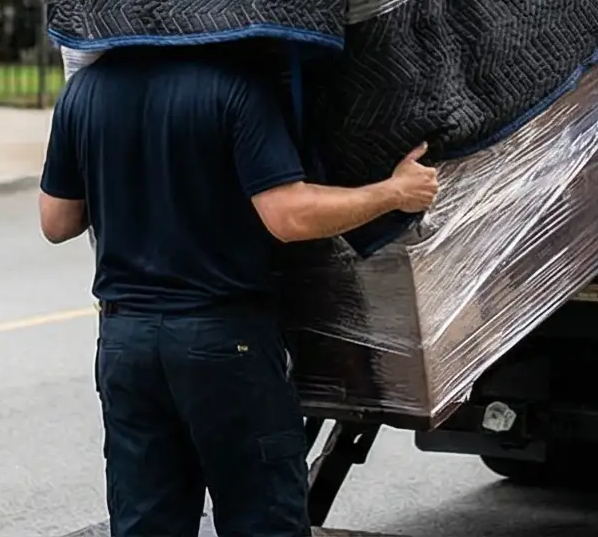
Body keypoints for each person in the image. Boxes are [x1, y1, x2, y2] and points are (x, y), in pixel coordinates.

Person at [39, 46, 440, 537]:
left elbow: (56, 222)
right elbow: (289, 216)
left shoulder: (85, 92)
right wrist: (393, 193)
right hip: (223, 342)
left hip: (127, 342)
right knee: (260, 517)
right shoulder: (232, 87)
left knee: (146, 518)